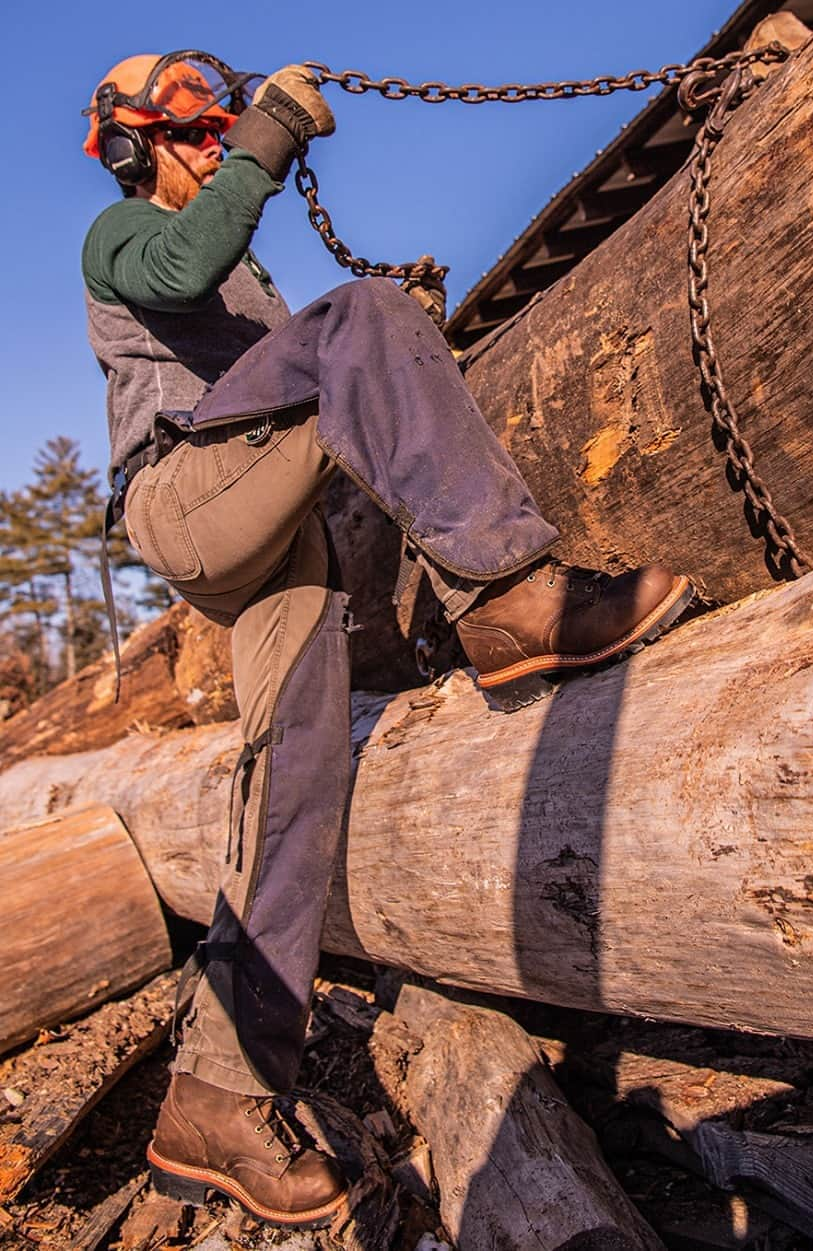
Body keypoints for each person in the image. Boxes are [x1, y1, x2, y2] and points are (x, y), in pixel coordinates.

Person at [82, 51, 693, 1227]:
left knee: (296, 782)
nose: (216, 145)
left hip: (274, 537)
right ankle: (513, 601)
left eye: (221, 131)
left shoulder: (244, 273)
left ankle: (212, 1093)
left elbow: (305, 368)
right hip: (189, 502)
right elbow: (187, 258)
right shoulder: (120, 235)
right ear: (131, 142)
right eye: (194, 131)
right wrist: (267, 138)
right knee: (365, 314)